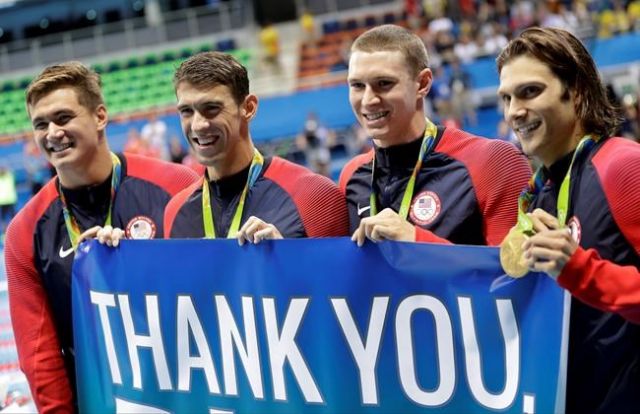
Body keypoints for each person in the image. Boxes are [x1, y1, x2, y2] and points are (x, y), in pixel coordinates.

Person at [3, 62, 199, 413]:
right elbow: (40, 354)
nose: (52, 132)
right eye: (41, 124)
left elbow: (216, 291)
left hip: (186, 393)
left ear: (100, 116)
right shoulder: (26, 230)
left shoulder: (175, 187)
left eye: (63, 118)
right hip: (99, 401)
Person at [496, 26, 640, 413]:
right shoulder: (538, 193)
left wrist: (581, 271)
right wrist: (413, 242)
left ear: (575, 90)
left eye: (530, 92)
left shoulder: (624, 167)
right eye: (506, 98)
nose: (514, 111)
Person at [339, 24, 530, 247]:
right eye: (358, 86)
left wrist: (418, 241)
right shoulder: (351, 177)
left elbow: (518, 275)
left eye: (384, 84)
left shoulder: (493, 161)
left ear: (423, 83)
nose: (368, 99)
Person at [164, 51, 349, 242]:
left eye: (211, 108)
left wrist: (287, 257)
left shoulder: (314, 196)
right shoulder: (176, 212)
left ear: (249, 108)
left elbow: (343, 272)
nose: (197, 125)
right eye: (186, 111)